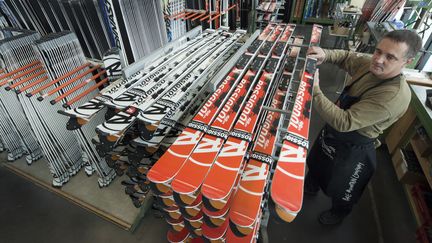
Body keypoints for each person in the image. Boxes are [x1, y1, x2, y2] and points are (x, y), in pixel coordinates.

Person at [305, 29, 422, 225]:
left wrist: (314, 89)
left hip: (354, 145)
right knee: (318, 161)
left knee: (344, 188)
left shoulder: (392, 96)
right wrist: (325, 54)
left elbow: (344, 122)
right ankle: (311, 185)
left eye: (390, 57)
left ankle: (338, 213)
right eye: (378, 51)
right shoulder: (373, 64)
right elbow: (348, 57)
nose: (378, 59)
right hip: (333, 132)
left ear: (406, 62)